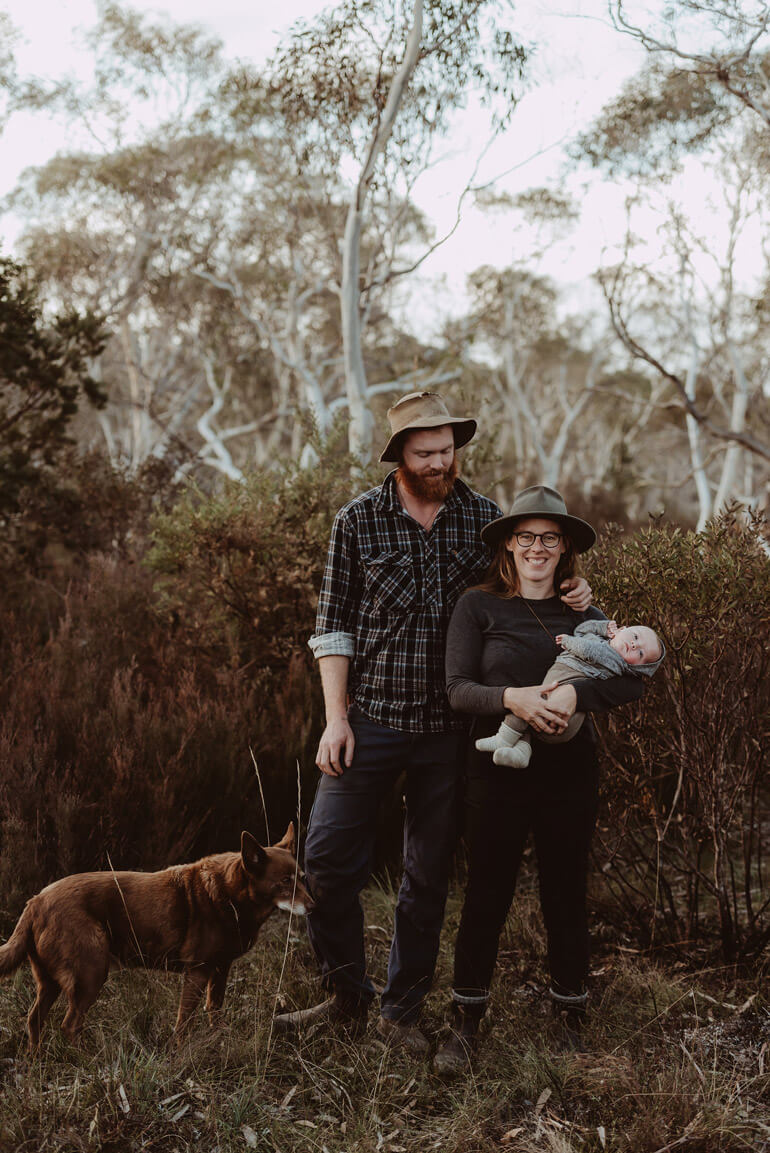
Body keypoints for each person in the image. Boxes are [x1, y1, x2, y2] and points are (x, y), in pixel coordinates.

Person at [273, 395, 593, 1052]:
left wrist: (575, 594)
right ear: (400, 457)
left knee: (426, 876)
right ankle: (346, 995)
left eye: (449, 450)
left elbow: (522, 582)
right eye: (426, 453)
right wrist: (336, 719)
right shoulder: (357, 521)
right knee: (327, 863)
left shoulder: (482, 519)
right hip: (372, 719)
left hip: (452, 732)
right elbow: (332, 628)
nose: (442, 462)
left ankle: (401, 1011)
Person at [433, 485, 651, 1073]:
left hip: (569, 773)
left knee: (564, 893)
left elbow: (633, 680)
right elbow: (456, 690)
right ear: (508, 542)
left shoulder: (587, 613)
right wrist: (516, 699)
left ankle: (569, 1020)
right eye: (526, 536)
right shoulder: (477, 606)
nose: (536, 547)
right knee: (486, 894)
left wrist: (576, 692)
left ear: (565, 548)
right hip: (494, 770)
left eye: (549, 538)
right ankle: (466, 1023)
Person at [476, 616, 664, 766]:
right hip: (565, 721)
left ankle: (504, 738)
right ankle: (521, 751)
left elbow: (588, 650)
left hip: (565, 697)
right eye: (635, 637)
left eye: (640, 653)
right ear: (622, 630)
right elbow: (582, 629)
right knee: (533, 715)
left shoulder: (613, 659)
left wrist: (568, 641)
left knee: (532, 703)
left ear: (638, 668)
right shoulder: (603, 640)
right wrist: (602, 627)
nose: (634, 645)